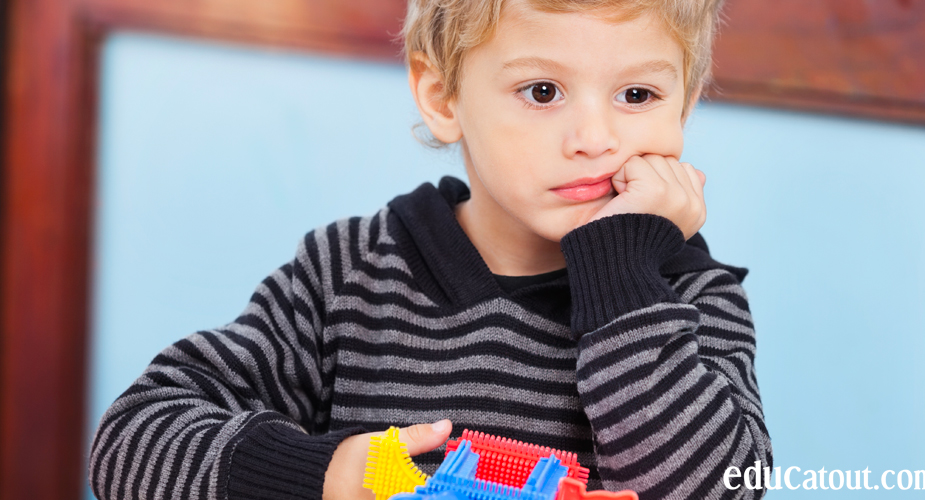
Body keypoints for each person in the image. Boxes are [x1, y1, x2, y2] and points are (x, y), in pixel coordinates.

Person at [88, 0, 772, 498]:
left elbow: (719, 490)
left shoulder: (687, 294)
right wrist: (320, 475)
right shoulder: (347, 273)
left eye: (636, 94)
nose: (595, 137)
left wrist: (622, 271)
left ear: (681, 108)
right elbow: (132, 441)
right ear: (442, 96)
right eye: (541, 91)